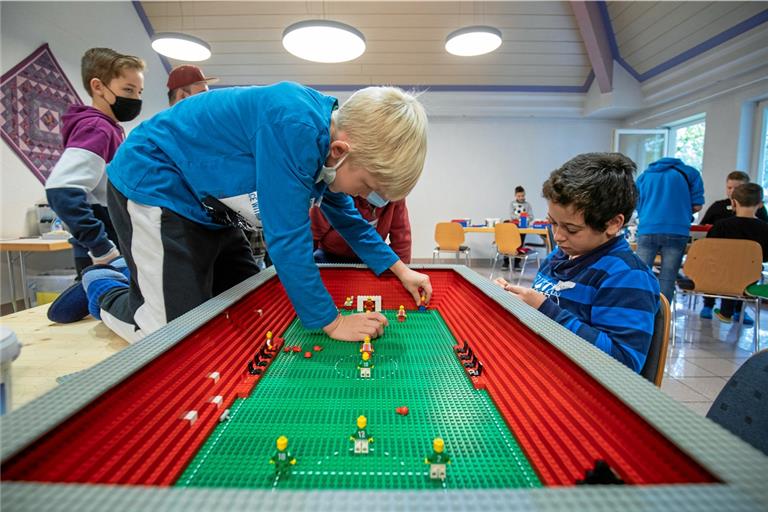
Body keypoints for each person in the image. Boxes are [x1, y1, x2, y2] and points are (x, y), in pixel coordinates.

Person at [66, 82, 430, 344]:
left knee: (249, 300)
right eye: (366, 186)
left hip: (208, 206)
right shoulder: (294, 126)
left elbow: (348, 219)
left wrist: (400, 268)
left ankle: (136, 280)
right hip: (156, 186)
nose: (363, 197)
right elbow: (287, 240)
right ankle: (103, 289)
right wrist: (332, 323)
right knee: (167, 334)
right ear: (340, 150)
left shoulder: (326, 149)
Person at [495, 153, 660, 373]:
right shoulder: (559, 256)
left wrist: (544, 309)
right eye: (553, 223)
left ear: (612, 223)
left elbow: (623, 364)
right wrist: (512, 302)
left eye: (571, 229)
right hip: (540, 365)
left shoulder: (627, 276)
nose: (559, 236)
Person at [45, 48, 145, 278]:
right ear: (98, 87)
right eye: (128, 90)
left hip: (112, 243)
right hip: (105, 253)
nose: (136, 99)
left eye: (139, 91)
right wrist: (102, 249)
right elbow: (61, 191)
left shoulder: (110, 129)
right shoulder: (97, 129)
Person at [698, 171, 767, 319]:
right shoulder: (765, 228)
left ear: (734, 202)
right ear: (760, 204)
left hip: (719, 270)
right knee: (744, 269)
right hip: (750, 275)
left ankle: (726, 311)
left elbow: (708, 249)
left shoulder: (721, 226)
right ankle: (733, 311)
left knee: (728, 269)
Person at [635, 157, 705, 301]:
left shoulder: (644, 176)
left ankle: (640, 309)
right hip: (677, 230)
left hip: (647, 229)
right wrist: (682, 212)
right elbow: (697, 205)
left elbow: (635, 202)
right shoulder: (690, 173)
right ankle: (662, 316)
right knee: (668, 276)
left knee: (640, 275)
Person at [311, 197, 412, 263]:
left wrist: (403, 275)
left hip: (370, 256)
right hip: (330, 255)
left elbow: (402, 241)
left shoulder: (396, 198)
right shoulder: (337, 193)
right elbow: (311, 235)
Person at [700, 171, 768, 225]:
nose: (732, 191)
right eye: (729, 188)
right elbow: (702, 227)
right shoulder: (717, 206)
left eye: (738, 188)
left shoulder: (758, 207)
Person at [503, 185, 534, 270]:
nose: (521, 197)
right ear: (515, 195)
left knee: (520, 245)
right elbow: (512, 215)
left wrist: (526, 218)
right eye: (519, 196)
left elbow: (531, 216)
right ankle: (506, 262)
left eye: (522, 195)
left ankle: (517, 263)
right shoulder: (512, 204)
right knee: (509, 243)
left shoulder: (527, 205)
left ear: (525, 195)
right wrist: (520, 217)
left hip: (523, 228)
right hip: (513, 227)